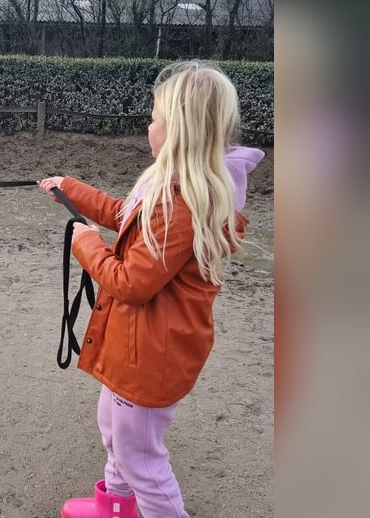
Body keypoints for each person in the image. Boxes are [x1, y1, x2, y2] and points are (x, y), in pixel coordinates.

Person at [37, 61, 264, 518]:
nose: (149, 125)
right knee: (115, 429)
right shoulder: (172, 188)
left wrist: (86, 244)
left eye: (156, 118)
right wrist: (71, 190)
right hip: (137, 348)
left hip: (151, 354)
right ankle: (115, 507)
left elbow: (131, 282)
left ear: (177, 128)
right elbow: (125, 215)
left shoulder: (181, 205)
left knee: (142, 459)